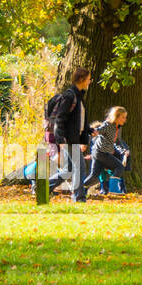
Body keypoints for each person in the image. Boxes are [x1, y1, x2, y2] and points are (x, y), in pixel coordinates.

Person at [49, 69, 92, 202]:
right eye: (89, 78)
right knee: (80, 167)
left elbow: (78, 120)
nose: (90, 81)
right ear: (82, 79)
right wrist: (61, 138)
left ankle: (43, 187)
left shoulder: (79, 97)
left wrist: (88, 131)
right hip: (68, 139)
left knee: (69, 169)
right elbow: (60, 119)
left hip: (73, 138)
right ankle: (78, 197)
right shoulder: (70, 96)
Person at [83, 106, 132, 195]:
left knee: (94, 175)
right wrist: (85, 141)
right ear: (116, 117)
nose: (125, 120)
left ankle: (81, 189)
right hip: (101, 152)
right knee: (119, 167)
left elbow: (117, 142)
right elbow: (97, 131)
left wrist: (123, 151)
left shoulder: (118, 127)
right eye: (123, 117)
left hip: (100, 153)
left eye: (125, 117)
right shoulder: (108, 125)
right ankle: (113, 189)